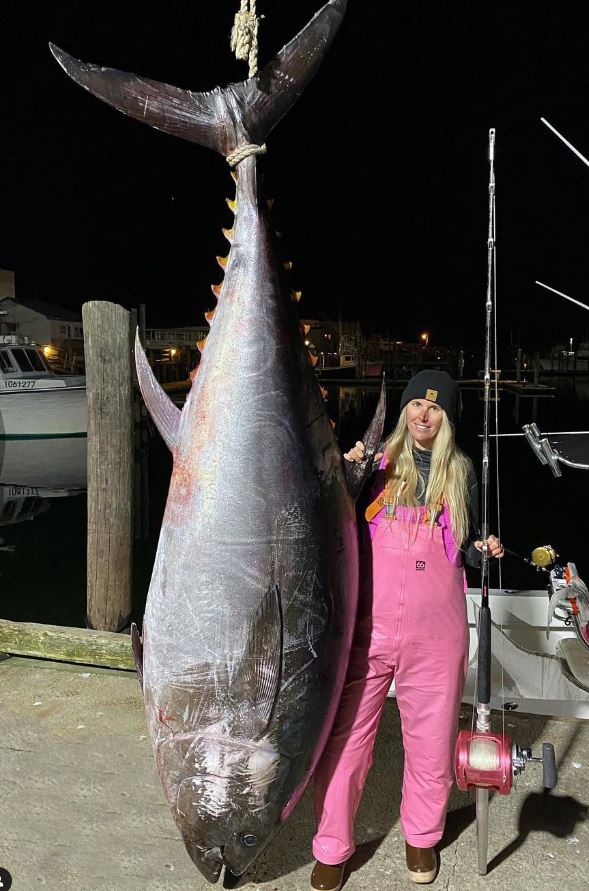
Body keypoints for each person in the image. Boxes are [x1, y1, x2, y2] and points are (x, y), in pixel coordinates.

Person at [310, 370, 503, 889]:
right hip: (366, 629)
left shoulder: (462, 472)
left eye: (435, 408)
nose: (423, 415)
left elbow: (466, 545)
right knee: (345, 743)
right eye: (416, 403)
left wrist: (483, 551)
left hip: (435, 636)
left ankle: (421, 839)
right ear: (403, 410)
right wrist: (341, 473)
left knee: (431, 745)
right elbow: (327, 517)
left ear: (448, 418)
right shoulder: (373, 463)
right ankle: (331, 846)